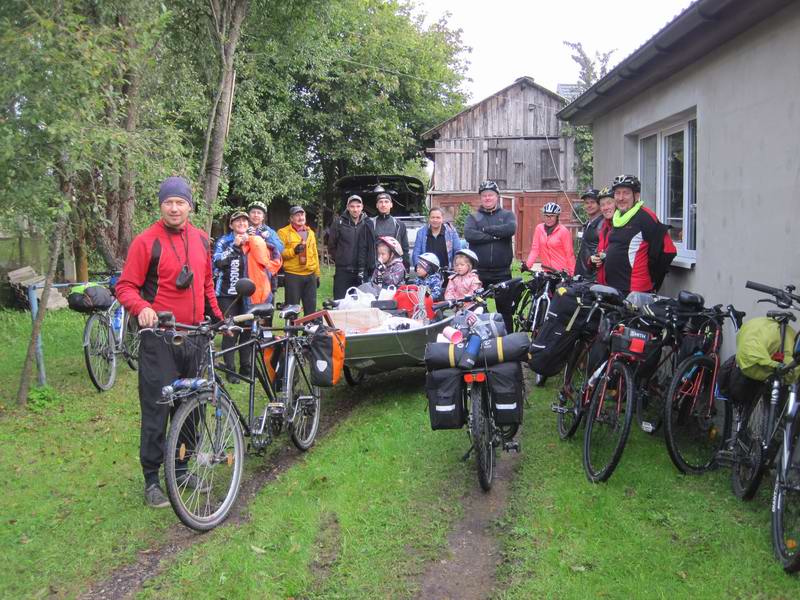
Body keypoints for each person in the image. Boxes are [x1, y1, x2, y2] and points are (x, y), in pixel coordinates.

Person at [115, 176, 223, 508]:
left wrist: (219, 318)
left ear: (190, 206)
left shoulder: (202, 240)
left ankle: (180, 469)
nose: (174, 208)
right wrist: (142, 307)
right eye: (168, 202)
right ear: (160, 205)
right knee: (157, 408)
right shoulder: (146, 242)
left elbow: (206, 285)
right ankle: (151, 480)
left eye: (180, 202)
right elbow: (125, 287)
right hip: (159, 341)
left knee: (192, 408)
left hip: (194, 338)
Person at [213, 210, 281, 382]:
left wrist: (261, 238)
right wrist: (235, 246)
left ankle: (246, 366)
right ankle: (230, 370)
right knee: (231, 331)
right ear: (231, 225)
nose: (241, 224)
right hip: (227, 294)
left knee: (248, 330)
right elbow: (217, 261)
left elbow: (275, 251)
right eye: (237, 221)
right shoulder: (224, 240)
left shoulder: (256, 238)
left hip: (249, 294)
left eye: (244, 221)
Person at [593, 175, 677, 295]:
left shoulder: (645, 217)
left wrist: (652, 278)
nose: (621, 198)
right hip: (613, 285)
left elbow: (669, 251)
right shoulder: (617, 217)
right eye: (617, 193)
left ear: (636, 196)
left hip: (634, 290)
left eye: (626, 193)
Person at [463, 180, 517, 333]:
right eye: (484, 195)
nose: (487, 198)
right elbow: (469, 235)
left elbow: (509, 229)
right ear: (481, 198)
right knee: (477, 310)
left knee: (505, 311)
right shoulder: (473, 217)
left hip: (502, 273)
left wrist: (485, 229)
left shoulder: (507, 215)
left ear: (497, 197)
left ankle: (508, 342)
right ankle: (479, 339)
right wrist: (495, 236)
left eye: (491, 195)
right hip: (479, 273)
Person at [278, 206, 321, 315]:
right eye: (297, 215)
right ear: (291, 218)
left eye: (302, 215)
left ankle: (309, 331)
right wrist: (294, 251)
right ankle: (291, 332)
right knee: (291, 310)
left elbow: (315, 253)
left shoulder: (310, 232)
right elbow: (279, 253)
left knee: (311, 308)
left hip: (310, 275)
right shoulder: (283, 232)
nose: (300, 217)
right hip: (293, 275)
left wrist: (317, 274)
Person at [328, 194, 372, 299]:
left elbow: (371, 246)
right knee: (340, 303)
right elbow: (331, 245)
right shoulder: (338, 223)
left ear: (362, 207)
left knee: (361, 304)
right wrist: (340, 258)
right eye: (352, 206)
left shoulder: (368, 223)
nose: (355, 209)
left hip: (362, 270)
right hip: (343, 271)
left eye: (358, 206)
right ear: (347, 207)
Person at [411, 206, 460, 287]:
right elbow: (416, 252)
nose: (435, 220)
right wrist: (419, 267)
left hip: (447, 273)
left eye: (438, 217)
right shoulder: (421, 232)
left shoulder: (451, 231)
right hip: (427, 275)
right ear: (429, 218)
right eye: (432, 217)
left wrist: (456, 267)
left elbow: (457, 251)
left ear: (442, 219)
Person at [524, 202, 575, 275]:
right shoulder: (539, 228)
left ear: (557, 217)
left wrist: (572, 273)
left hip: (562, 271)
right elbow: (535, 249)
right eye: (546, 216)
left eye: (552, 216)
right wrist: (527, 265)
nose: (549, 218)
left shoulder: (563, 231)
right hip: (547, 270)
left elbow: (569, 254)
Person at [368, 188, 410, 269]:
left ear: (391, 205)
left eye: (386, 202)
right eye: (380, 202)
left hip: (395, 268)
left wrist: (406, 267)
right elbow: (365, 247)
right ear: (377, 205)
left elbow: (405, 249)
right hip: (375, 268)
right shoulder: (370, 224)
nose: (383, 205)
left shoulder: (399, 225)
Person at [574, 188, 605, 279]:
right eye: (587, 203)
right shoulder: (588, 223)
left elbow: (602, 252)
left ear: (599, 204)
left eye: (592, 202)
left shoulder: (602, 224)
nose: (589, 205)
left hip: (592, 276)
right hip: (583, 273)